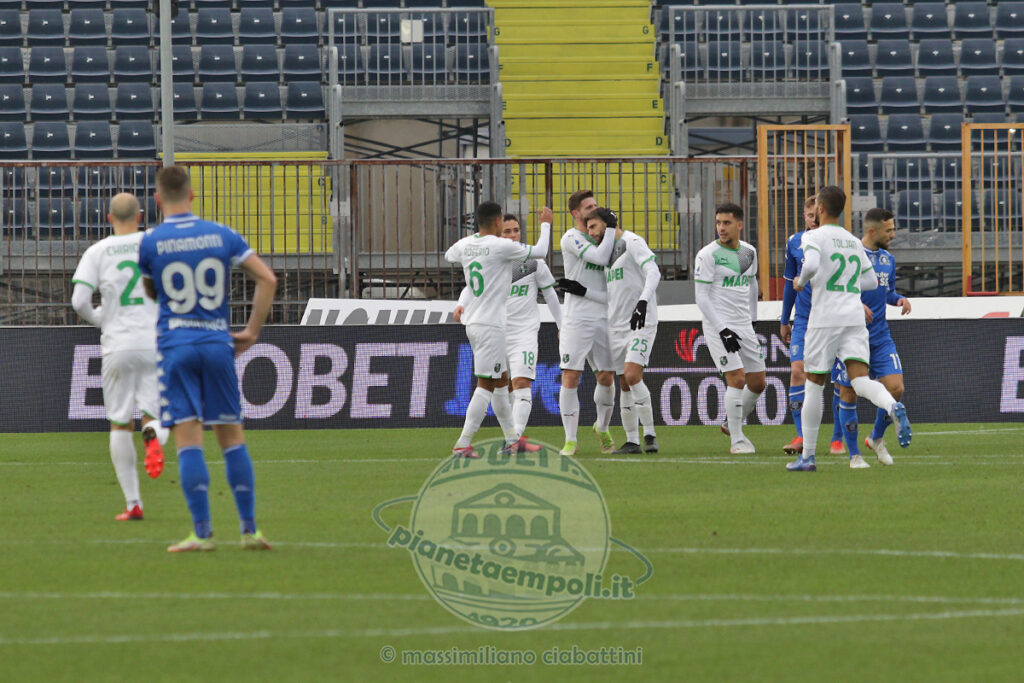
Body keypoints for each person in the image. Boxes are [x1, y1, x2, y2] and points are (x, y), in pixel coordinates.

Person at [138, 165, 278, 551]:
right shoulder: (221, 234)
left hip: (176, 346)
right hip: (217, 342)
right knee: (232, 437)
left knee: (188, 439)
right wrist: (251, 331)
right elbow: (267, 279)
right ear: (192, 194)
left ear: (157, 199)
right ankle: (249, 531)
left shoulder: (151, 242)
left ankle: (202, 534)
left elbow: (152, 290)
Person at [786, 186, 911, 472]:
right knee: (860, 381)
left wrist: (801, 281)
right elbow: (871, 282)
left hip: (825, 318)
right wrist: (847, 284)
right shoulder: (853, 241)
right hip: (854, 318)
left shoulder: (813, 236)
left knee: (814, 384)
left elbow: (811, 264)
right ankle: (891, 406)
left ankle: (808, 457)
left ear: (820, 208)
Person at [71, 193, 170, 521]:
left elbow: (79, 301)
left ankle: (133, 504)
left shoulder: (97, 251)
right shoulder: (155, 243)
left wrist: (101, 318)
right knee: (154, 415)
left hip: (117, 345)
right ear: (140, 216)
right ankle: (154, 436)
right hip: (154, 341)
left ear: (109, 218)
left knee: (119, 423)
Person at [446, 202, 551, 458]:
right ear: (497, 222)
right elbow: (540, 251)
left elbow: (449, 255)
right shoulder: (501, 246)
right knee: (486, 385)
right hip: (490, 325)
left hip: (476, 322)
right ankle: (463, 443)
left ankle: (513, 440)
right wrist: (546, 224)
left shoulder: (466, 244)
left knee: (502, 382)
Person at [829, 208, 911, 468]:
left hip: (880, 337)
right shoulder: (850, 254)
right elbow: (835, 290)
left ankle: (876, 438)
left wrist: (898, 299)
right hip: (850, 335)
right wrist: (855, 304)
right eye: (889, 230)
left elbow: (887, 292)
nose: (893, 235)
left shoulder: (888, 259)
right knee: (848, 393)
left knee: (896, 388)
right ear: (873, 231)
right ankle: (854, 455)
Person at [584, 207, 661, 454]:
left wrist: (643, 302)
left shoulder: (631, 241)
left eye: (593, 226)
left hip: (640, 321)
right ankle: (632, 441)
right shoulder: (604, 255)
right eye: (587, 228)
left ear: (608, 224)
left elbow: (653, 271)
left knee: (632, 375)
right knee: (624, 383)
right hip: (615, 326)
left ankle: (650, 434)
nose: (590, 233)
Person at [693, 203, 764, 454]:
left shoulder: (748, 252)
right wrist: (722, 329)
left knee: (758, 382)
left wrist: (753, 319)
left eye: (727, 223)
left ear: (739, 225)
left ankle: (730, 421)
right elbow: (701, 297)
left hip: (743, 324)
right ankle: (737, 440)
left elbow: (752, 284)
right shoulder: (708, 255)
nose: (721, 228)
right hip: (718, 325)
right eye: (718, 223)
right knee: (737, 378)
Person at [553, 189, 617, 456]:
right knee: (571, 375)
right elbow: (600, 258)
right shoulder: (571, 238)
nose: (594, 209)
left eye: (595, 205)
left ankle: (602, 427)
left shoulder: (605, 236)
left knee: (606, 376)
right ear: (575, 213)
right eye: (588, 207)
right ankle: (570, 440)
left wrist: (610, 230)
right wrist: (611, 227)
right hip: (577, 317)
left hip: (604, 314)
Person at [779, 197, 820, 455]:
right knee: (797, 372)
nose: (813, 219)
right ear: (804, 216)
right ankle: (801, 436)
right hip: (804, 319)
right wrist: (785, 320)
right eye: (809, 215)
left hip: (832, 318)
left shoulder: (836, 241)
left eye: (817, 214)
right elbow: (789, 283)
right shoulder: (795, 242)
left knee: (840, 382)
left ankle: (838, 438)